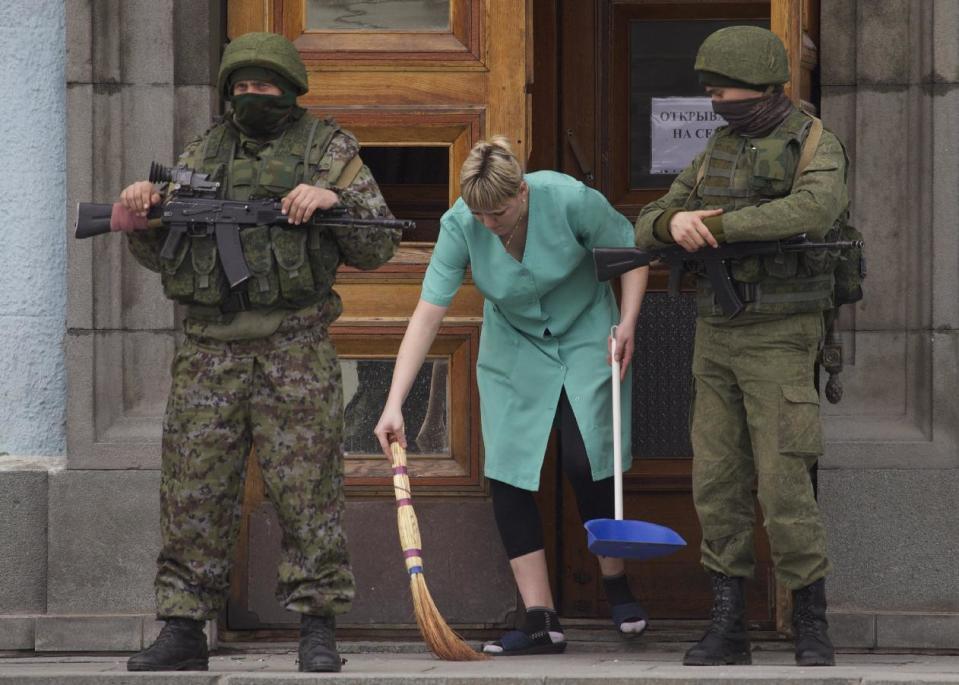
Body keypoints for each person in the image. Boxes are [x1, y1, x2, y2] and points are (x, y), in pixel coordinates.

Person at [117, 32, 400, 672]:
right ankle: (184, 627)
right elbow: (163, 255)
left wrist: (333, 200)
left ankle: (318, 626)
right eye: (241, 86)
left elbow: (378, 245)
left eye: (264, 85)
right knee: (193, 488)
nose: (252, 96)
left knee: (308, 492)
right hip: (207, 351)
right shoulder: (203, 151)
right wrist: (143, 214)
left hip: (293, 346)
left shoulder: (328, 150)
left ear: (291, 89)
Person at [373, 137, 650, 656]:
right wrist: (394, 403)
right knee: (509, 469)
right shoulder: (462, 224)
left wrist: (628, 321)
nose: (490, 227)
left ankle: (615, 580)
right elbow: (427, 314)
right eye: (480, 216)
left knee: (584, 455)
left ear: (522, 193)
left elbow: (631, 254)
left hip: (587, 327)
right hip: (514, 345)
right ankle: (541, 619)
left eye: (499, 214)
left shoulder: (568, 199)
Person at [635, 26, 848, 667]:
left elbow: (813, 210)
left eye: (721, 87)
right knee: (718, 482)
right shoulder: (718, 148)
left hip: (781, 334)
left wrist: (716, 228)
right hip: (717, 333)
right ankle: (727, 624)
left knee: (785, 480)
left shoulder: (815, 142)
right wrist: (673, 222)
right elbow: (648, 223)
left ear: (759, 85)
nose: (713, 97)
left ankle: (811, 619)